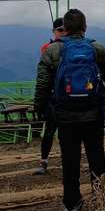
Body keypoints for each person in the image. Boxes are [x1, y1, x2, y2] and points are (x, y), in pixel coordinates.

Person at [33, 9, 105, 211]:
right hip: (93, 113)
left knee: (70, 160)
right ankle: (102, 201)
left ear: (65, 28)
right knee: (97, 158)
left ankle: (72, 205)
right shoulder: (96, 48)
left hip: (65, 114)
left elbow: (42, 84)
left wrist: (40, 108)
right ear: (85, 27)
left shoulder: (52, 50)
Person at [33, 18, 65, 175]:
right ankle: (45, 161)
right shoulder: (73, 47)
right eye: (60, 30)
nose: (62, 32)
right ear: (54, 31)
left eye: (64, 29)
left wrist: (38, 104)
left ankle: (45, 162)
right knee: (52, 131)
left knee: (53, 131)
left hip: (54, 97)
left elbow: (43, 80)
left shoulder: (47, 48)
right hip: (60, 97)